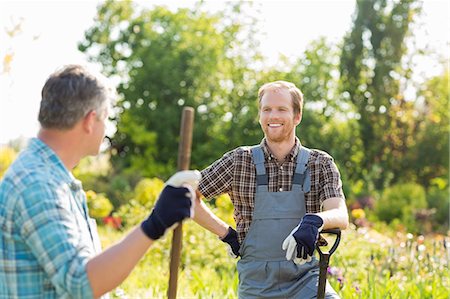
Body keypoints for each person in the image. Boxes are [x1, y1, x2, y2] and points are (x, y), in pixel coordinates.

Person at [0, 65, 200, 298]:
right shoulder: (38, 184)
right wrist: (155, 223)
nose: (106, 129)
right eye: (105, 118)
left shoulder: (50, 176)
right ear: (89, 120)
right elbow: (82, 283)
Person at [193, 81, 349, 298]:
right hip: (256, 286)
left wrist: (315, 221)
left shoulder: (320, 163)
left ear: (297, 116)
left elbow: (340, 214)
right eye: (267, 109)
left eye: (282, 109)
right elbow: (187, 197)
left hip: (305, 280)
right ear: (260, 116)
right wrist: (227, 234)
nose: (272, 116)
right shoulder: (239, 161)